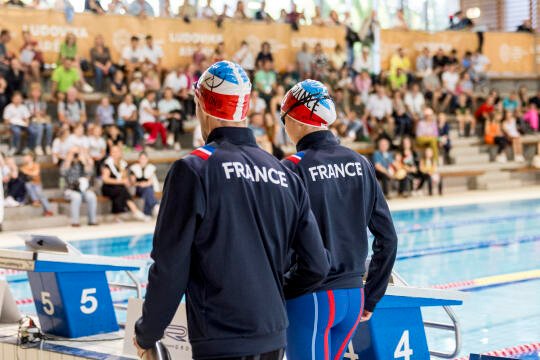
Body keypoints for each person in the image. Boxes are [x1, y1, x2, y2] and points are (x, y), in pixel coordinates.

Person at [134, 61, 329, 360]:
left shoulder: (194, 170)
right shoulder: (284, 173)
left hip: (221, 338)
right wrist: (273, 292)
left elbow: (170, 266)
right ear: (246, 107)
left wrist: (147, 333)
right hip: (273, 335)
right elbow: (316, 264)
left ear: (200, 102)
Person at [280, 80, 397, 359]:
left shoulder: (293, 168)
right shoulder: (360, 162)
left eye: (283, 118)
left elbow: (275, 241)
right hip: (354, 299)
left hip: (311, 299)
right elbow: (388, 238)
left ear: (296, 117)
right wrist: (373, 294)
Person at [102, 145, 148, 221]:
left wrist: (122, 171)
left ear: (120, 153)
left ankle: (117, 216)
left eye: (117, 152)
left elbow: (125, 178)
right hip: (108, 187)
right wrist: (120, 181)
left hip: (119, 187)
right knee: (121, 190)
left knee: (121, 189)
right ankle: (135, 211)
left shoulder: (122, 164)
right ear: (110, 153)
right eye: (113, 152)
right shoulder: (107, 163)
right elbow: (105, 179)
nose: (115, 153)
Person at [61, 147, 98, 226]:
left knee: (91, 196)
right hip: (69, 190)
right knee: (76, 197)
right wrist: (69, 158)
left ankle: (92, 221)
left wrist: (85, 161)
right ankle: (75, 222)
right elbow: (63, 173)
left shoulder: (82, 163)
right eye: (74, 154)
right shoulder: (65, 163)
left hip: (83, 190)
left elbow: (89, 175)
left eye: (76, 154)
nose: (75, 156)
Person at [20, 152, 54, 216]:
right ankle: (35, 200)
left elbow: (35, 173)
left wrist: (27, 172)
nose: (24, 158)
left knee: (40, 193)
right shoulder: (23, 167)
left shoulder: (36, 165)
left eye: (26, 156)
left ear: (31, 158)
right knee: (28, 185)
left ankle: (48, 210)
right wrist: (30, 173)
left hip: (37, 184)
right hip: (29, 187)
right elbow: (27, 174)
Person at [129, 152, 159, 217]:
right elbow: (132, 182)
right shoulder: (134, 168)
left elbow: (151, 180)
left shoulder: (151, 167)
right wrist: (140, 184)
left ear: (147, 159)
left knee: (148, 190)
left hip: (148, 187)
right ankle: (155, 205)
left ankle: (147, 214)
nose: (143, 160)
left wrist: (145, 184)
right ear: (139, 159)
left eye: (144, 158)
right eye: (141, 158)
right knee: (148, 190)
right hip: (138, 188)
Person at [25, 82, 52, 155]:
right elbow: (25, 114)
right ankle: (38, 146)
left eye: (38, 91)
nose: (36, 93)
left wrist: (40, 114)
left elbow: (44, 113)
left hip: (41, 120)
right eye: (35, 91)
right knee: (39, 127)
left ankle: (48, 146)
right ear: (31, 92)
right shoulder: (27, 102)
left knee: (49, 126)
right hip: (32, 121)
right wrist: (33, 114)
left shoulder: (42, 102)